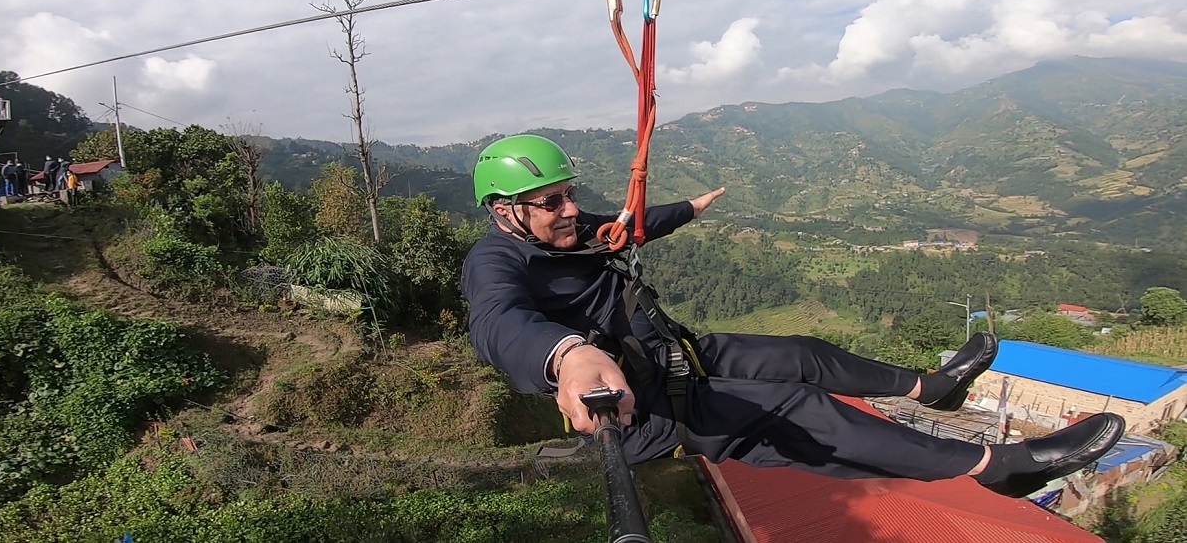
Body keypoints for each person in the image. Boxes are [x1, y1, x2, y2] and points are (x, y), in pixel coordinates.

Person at [462, 134, 1125, 498]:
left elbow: (628, 226)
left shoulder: (572, 232)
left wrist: (688, 210)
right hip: (645, 407)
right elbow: (499, 323)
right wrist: (570, 354)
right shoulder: (495, 263)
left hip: (670, 356)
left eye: (570, 195)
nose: (570, 210)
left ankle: (935, 387)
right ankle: (997, 467)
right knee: (797, 407)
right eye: (549, 202)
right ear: (504, 211)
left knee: (804, 353)